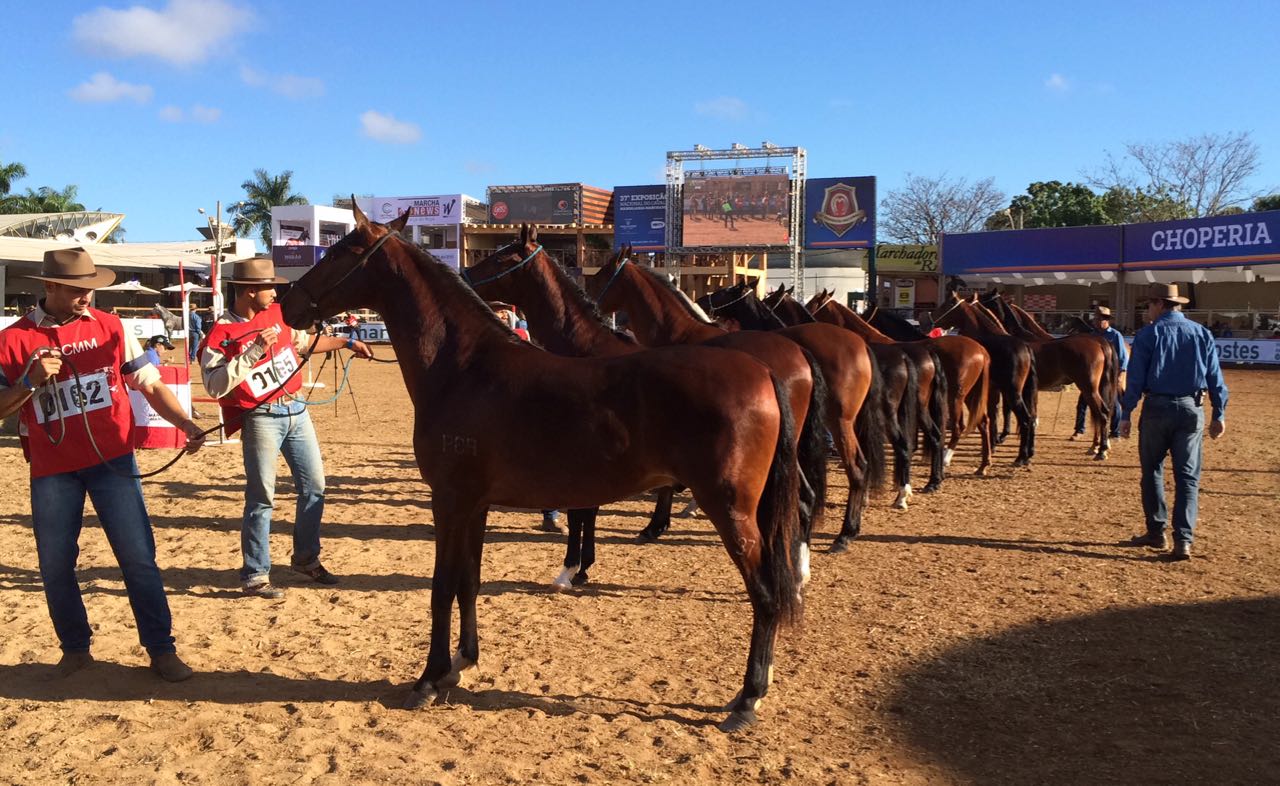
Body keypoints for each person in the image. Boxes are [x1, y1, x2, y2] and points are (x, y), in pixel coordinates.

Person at [0, 248, 205, 681]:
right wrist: (28, 383)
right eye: (77, 290)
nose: (86, 297)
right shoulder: (11, 339)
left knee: (138, 557)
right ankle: (74, 649)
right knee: (55, 563)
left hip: (112, 460)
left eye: (90, 288)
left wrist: (185, 422)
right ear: (49, 287)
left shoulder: (112, 327)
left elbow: (148, 383)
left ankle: (161, 649)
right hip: (52, 468)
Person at [201, 257, 374, 598]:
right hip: (261, 417)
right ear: (250, 291)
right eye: (269, 286)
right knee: (261, 497)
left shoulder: (278, 315)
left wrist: (346, 342)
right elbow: (214, 385)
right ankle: (255, 574)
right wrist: (253, 352)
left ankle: (306, 558)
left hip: (296, 410)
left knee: (315, 487)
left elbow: (303, 343)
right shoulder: (221, 333)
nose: (275, 291)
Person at [1118, 283, 1228, 561]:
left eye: (1148, 306)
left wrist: (1126, 413)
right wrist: (1219, 413)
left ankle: (1157, 531)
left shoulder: (1148, 335)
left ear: (1159, 304)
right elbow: (1215, 377)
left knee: (1152, 470)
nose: (1146, 311)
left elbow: (1135, 379)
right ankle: (1184, 540)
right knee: (1188, 477)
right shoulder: (1202, 333)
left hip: (1157, 407)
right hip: (1192, 408)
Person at [1072, 306, 1129, 440]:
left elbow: (1122, 357)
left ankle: (1115, 432)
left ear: (1106, 320)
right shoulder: (1092, 335)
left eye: (1099, 319)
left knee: (1113, 403)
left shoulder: (1115, 335)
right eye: (1095, 319)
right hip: (1092, 375)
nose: (1096, 322)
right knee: (1083, 402)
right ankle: (1079, 429)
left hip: (1109, 374)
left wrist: (1120, 374)